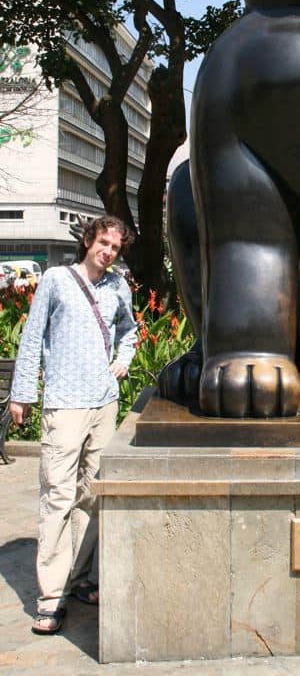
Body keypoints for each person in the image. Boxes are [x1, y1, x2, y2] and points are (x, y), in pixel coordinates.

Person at [9, 216, 137, 635]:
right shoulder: (57, 280)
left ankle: (81, 577)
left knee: (90, 496)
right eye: (103, 243)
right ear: (88, 240)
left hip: (104, 405)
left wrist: (123, 360)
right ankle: (50, 597)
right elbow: (32, 338)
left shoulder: (118, 285)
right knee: (57, 499)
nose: (108, 252)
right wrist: (23, 394)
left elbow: (130, 332)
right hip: (64, 405)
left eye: (115, 247)